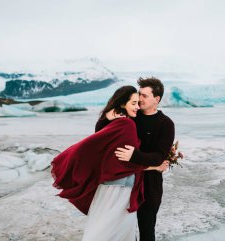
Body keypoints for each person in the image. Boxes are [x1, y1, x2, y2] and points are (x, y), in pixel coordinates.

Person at [51, 86, 169, 241]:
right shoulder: (127, 125)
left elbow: (110, 154)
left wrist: (106, 117)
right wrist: (155, 166)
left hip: (108, 188)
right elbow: (124, 164)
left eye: (138, 102)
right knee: (114, 233)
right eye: (133, 103)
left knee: (103, 229)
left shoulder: (115, 123)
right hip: (120, 189)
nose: (137, 106)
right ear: (122, 104)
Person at [95, 77, 175, 241]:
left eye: (145, 95)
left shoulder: (166, 124)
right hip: (124, 184)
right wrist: (106, 119)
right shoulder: (131, 116)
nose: (140, 98)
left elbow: (159, 157)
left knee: (146, 231)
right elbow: (100, 136)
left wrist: (134, 155)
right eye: (139, 94)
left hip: (150, 186)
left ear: (157, 99)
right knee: (120, 231)